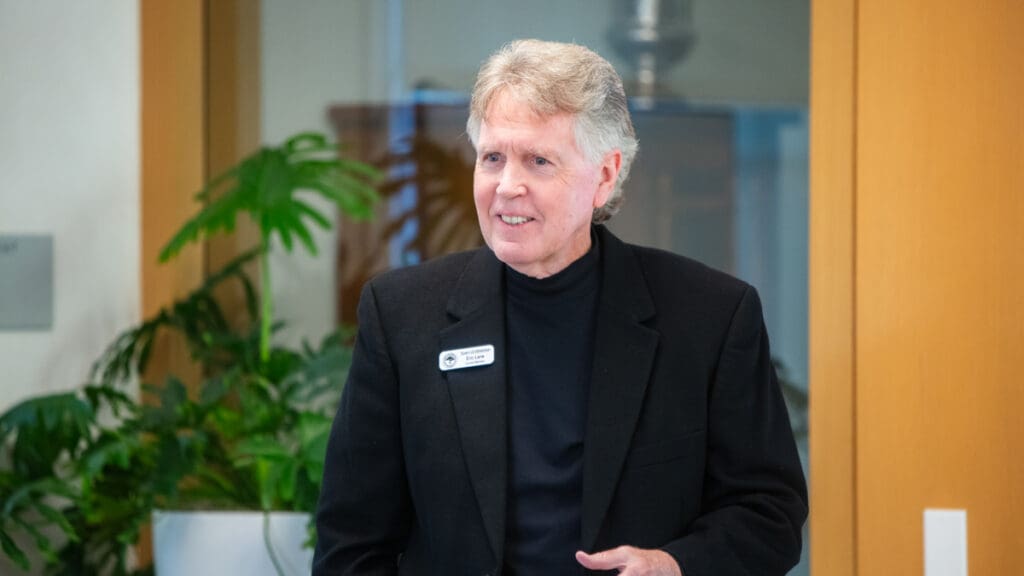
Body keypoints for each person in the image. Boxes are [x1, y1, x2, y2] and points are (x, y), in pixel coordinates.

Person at [314, 39, 807, 576]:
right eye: (493, 158)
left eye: (539, 161)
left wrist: (673, 565)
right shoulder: (402, 315)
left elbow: (769, 514)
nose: (507, 187)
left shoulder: (711, 316)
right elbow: (351, 544)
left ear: (604, 175)